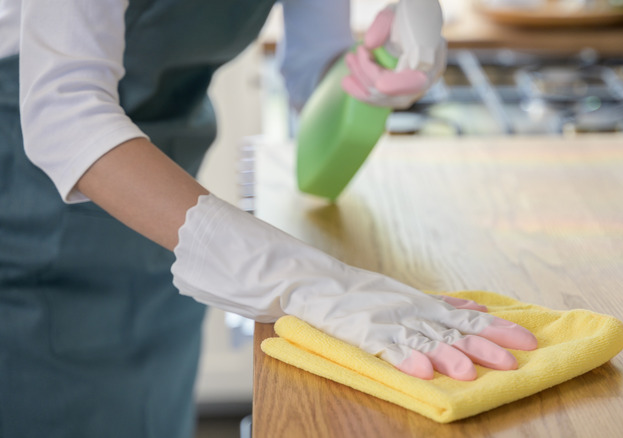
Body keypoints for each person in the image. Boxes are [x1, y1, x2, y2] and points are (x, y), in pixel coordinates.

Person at [0, 0, 537, 436]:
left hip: (168, 218)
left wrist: (378, 69)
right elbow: (64, 114)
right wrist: (297, 276)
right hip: (30, 208)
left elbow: (312, 73)